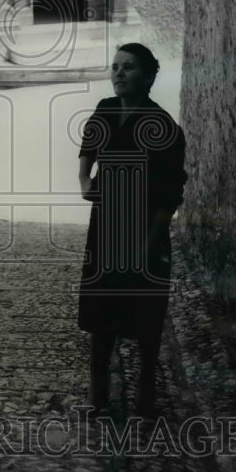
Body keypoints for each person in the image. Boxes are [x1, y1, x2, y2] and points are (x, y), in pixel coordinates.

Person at [78, 42, 187, 417]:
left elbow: (170, 195)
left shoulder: (165, 128)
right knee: (100, 313)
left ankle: (145, 397)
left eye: (129, 67)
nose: (119, 73)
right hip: (105, 228)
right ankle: (97, 396)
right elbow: (89, 146)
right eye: (115, 67)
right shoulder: (106, 110)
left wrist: (150, 244)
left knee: (146, 315)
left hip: (144, 231)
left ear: (150, 76)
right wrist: (84, 180)